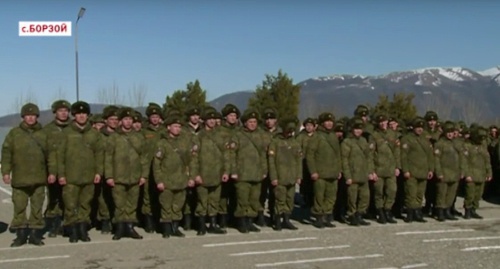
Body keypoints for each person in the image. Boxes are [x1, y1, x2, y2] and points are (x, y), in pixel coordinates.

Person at [2, 103, 51, 247]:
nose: (30, 118)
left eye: (33, 115)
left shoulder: (43, 134)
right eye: (27, 115)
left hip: (39, 178)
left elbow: (51, 155)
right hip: (20, 178)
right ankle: (21, 235)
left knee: (37, 208)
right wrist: (5, 172)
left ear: (37, 117)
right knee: (19, 207)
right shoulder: (14, 134)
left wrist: (52, 173)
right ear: (23, 117)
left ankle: (35, 235)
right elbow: (6, 154)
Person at [56, 101, 103, 243]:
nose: (82, 116)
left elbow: (99, 154)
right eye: (78, 114)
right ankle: (73, 230)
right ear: (74, 115)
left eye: (84, 114)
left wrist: (98, 172)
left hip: (88, 176)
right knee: (70, 205)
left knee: (85, 204)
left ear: (88, 116)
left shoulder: (94, 134)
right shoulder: (66, 133)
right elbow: (60, 155)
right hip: (71, 177)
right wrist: (61, 174)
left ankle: (83, 229)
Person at [105, 107, 150, 240]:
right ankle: (119, 228)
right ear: (120, 121)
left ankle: (130, 227)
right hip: (118, 176)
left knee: (132, 203)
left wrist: (144, 175)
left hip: (135, 176)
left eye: (130, 119)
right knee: (119, 203)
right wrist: (109, 176)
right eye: (125, 119)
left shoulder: (139, 137)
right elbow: (108, 158)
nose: (128, 122)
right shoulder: (114, 138)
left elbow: (144, 158)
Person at [153, 114, 198, 238]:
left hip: (181, 180)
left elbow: (192, 161)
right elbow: (156, 164)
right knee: (166, 205)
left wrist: (191, 178)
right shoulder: (162, 143)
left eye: (179, 126)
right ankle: (166, 229)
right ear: (168, 127)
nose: (178, 129)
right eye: (175, 126)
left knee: (178, 206)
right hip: (166, 181)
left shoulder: (185, 143)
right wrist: (159, 181)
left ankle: (175, 227)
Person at [231, 109, 268, 233]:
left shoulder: (260, 135)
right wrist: (234, 171)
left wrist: (264, 170)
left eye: (255, 122)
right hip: (242, 174)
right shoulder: (238, 135)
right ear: (245, 123)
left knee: (254, 199)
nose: (253, 124)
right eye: (250, 122)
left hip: (256, 173)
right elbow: (231, 154)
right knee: (242, 199)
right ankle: (241, 222)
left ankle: (250, 221)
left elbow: (263, 154)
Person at [193, 108, 229, 235]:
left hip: (217, 174)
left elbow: (226, 155)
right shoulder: (199, 136)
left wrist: (226, 171)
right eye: (209, 119)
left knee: (214, 201)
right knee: (202, 201)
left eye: (214, 119)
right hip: (203, 174)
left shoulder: (220, 136)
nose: (212, 121)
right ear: (205, 121)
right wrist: (195, 174)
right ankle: (201, 226)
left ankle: (213, 224)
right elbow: (194, 157)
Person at [305, 112, 342, 228]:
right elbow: (310, 155)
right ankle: (318, 217)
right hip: (320, 173)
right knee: (319, 196)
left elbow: (338, 155)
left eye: (331, 121)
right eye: (327, 121)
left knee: (331, 196)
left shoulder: (333, 136)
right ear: (322, 123)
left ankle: (327, 216)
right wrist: (313, 171)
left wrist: (339, 170)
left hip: (333, 172)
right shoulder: (316, 136)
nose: (329, 123)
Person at [268, 117, 302, 231]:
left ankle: (286, 220)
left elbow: (299, 161)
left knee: (290, 199)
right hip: (280, 176)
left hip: (292, 177)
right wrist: (273, 177)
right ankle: (277, 220)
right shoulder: (275, 142)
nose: (290, 132)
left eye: (291, 130)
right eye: (288, 130)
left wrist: (299, 176)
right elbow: (271, 161)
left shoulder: (295, 143)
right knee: (280, 199)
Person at [43, 100, 71, 237]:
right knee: (54, 198)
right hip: (53, 170)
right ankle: (54, 224)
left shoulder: (73, 128)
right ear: (55, 112)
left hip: (70, 170)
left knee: (69, 199)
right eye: (60, 111)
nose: (64, 113)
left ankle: (67, 224)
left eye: (66, 111)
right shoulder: (47, 130)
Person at [342, 118, 375, 226]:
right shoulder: (347, 142)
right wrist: (347, 176)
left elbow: (369, 157)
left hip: (363, 174)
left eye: (360, 129)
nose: (358, 131)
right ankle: (352, 215)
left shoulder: (363, 141)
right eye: (356, 129)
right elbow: (344, 160)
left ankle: (360, 214)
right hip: (353, 174)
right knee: (352, 197)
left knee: (365, 196)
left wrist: (370, 171)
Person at [401, 117, 434, 223]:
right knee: (411, 194)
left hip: (423, 171)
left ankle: (417, 212)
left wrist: (431, 169)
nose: (420, 129)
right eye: (417, 127)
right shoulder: (407, 139)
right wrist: (405, 170)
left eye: (421, 127)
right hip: (412, 171)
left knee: (420, 194)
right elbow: (403, 156)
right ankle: (410, 213)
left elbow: (430, 156)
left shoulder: (425, 140)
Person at [369, 114, 400, 224]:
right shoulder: (374, 135)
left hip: (391, 168)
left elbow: (397, 152)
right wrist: (372, 171)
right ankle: (380, 212)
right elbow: (370, 154)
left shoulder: (393, 134)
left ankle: (388, 210)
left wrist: (397, 167)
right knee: (379, 192)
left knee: (392, 191)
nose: (383, 124)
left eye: (385, 121)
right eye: (381, 122)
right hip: (379, 169)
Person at [433, 122, 465, 222]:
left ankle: (447, 210)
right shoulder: (440, 144)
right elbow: (436, 160)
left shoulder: (457, 143)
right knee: (441, 194)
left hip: (455, 173)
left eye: (452, 132)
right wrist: (439, 173)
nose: (450, 134)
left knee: (451, 194)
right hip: (444, 172)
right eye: (448, 132)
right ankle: (440, 212)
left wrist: (462, 171)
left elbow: (462, 158)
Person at [96, 105, 119, 234]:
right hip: (104, 169)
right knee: (103, 197)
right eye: (111, 119)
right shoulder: (100, 136)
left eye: (116, 119)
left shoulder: (122, 135)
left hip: (120, 170)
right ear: (106, 120)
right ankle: (105, 220)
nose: (114, 121)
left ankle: (117, 221)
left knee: (118, 198)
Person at [141, 102, 164, 233]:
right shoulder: (144, 132)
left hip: (162, 169)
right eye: (152, 116)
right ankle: (149, 222)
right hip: (147, 168)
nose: (155, 119)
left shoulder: (165, 131)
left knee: (161, 195)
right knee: (147, 196)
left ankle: (160, 220)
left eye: (157, 116)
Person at [217, 104, 241, 229]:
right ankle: (222, 217)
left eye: (235, 116)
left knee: (236, 194)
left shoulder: (239, 131)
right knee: (223, 194)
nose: (233, 118)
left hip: (238, 167)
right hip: (223, 167)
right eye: (230, 115)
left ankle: (234, 217)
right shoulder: (219, 131)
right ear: (225, 117)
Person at [463, 128, 492, 219]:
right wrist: (467, 174)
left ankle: (473, 210)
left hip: (481, 174)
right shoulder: (467, 146)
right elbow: (464, 162)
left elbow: (487, 161)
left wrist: (489, 173)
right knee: (470, 194)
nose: (481, 140)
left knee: (478, 195)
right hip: (471, 174)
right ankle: (467, 210)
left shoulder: (483, 147)